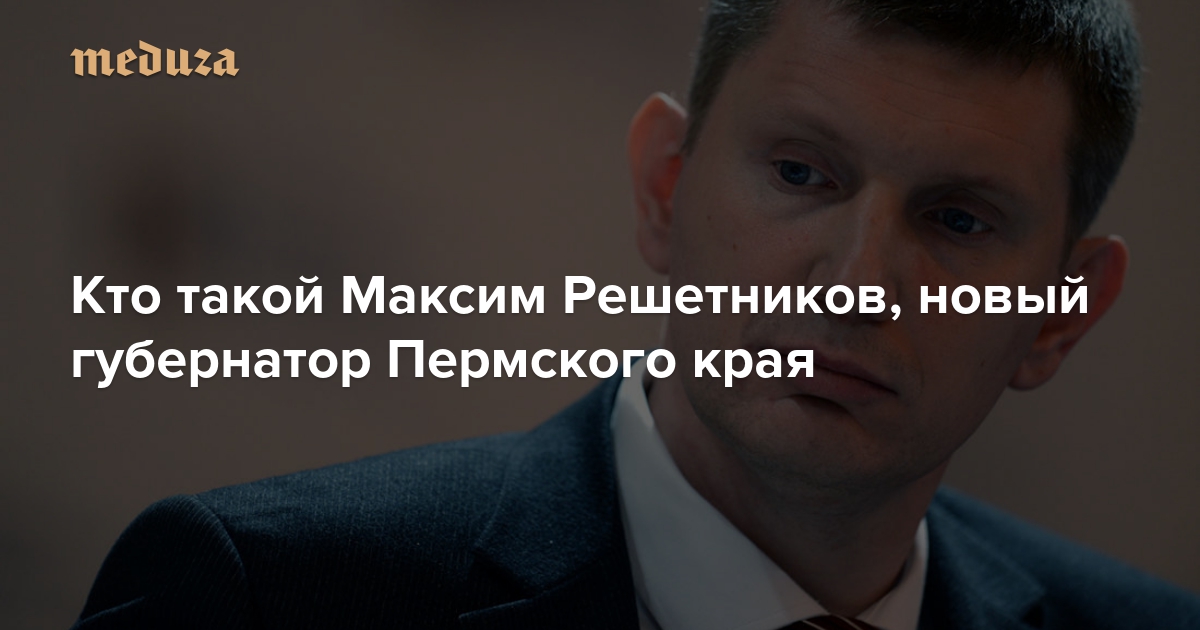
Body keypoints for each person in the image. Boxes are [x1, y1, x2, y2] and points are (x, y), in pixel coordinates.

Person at [73, 1, 1200, 628]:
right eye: (801, 173)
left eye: (957, 220)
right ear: (666, 188)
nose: (857, 280)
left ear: (1059, 317)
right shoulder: (263, 599)